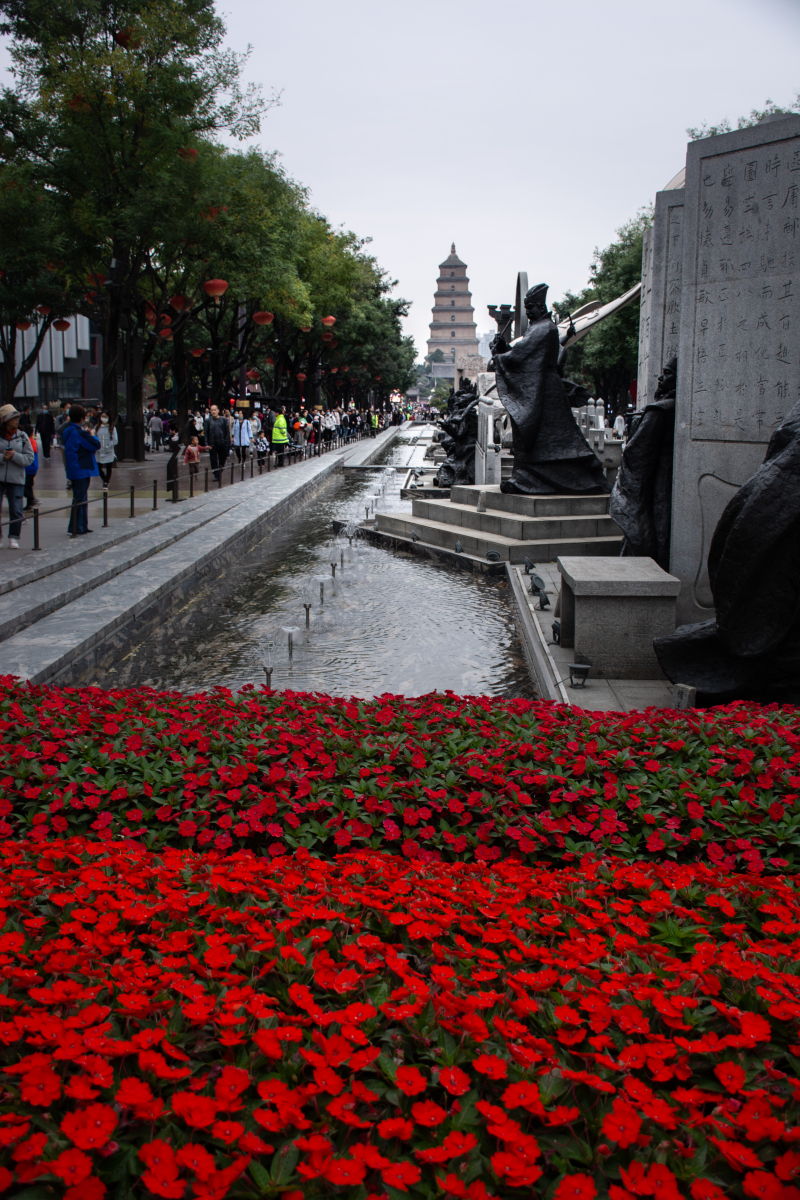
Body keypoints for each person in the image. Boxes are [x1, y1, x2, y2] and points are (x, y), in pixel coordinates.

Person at [62, 405, 100, 536]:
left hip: (74, 468)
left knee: (81, 498)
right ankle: (75, 527)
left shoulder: (68, 430)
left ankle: (82, 526)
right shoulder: (79, 432)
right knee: (79, 499)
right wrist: (93, 435)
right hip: (81, 468)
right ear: (82, 418)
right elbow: (96, 444)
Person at [0, 405, 34, 548]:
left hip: (17, 479)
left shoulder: (23, 436)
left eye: (17, 417)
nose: (16, 420)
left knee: (16, 509)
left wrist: (15, 456)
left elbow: (29, 458)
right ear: (5, 420)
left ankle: (14, 537)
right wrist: (3, 457)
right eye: (14, 417)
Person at [204, 404, 230, 482]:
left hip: (222, 442)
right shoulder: (208, 420)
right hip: (212, 443)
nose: (213, 411)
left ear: (218, 410)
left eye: (215, 410)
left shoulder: (224, 420)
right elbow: (206, 433)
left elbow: (227, 432)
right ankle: (216, 474)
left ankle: (220, 471)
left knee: (223, 458)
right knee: (213, 460)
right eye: (212, 410)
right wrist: (206, 443)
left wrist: (226, 442)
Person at [94, 411, 118, 490]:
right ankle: (104, 479)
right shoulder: (97, 427)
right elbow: (94, 437)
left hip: (108, 451)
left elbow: (115, 440)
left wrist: (108, 446)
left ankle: (106, 483)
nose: (103, 418)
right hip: (99, 451)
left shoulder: (112, 428)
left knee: (108, 468)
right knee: (98, 468)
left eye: (105, 416)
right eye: (102, 416)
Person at [23, 430, 39, 510]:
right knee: (29, 486)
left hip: (28, 468)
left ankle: (32, 499)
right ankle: (29, 503)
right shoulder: (33, 441)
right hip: (33, 467)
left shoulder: (27, 443)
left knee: (23, 486)